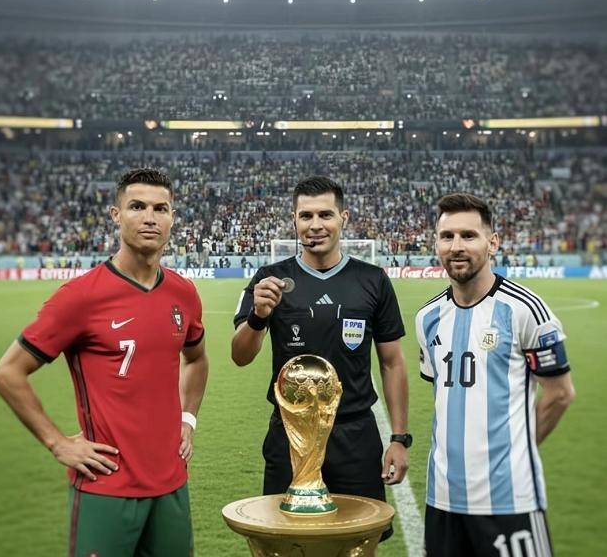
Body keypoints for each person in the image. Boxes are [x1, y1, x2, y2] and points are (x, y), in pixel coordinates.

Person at [0, 168, 209, 556]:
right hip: (107, 485)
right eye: (137, 206)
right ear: (115, 214)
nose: (149, 217)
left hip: (172, 484)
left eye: (160, 208)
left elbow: (196, 359)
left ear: (173, 217)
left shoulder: (184, 293)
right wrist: (57, 443)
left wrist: (188, 420)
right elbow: (8, 372)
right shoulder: (81, 297)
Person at [231, 175, 411, 541]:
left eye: (325, 215)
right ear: (294, 220)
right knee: (286, 541)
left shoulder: (373, 279)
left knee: (359, 540)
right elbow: (240, 355)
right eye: (306, 216)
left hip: (355, 435)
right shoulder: (269, 278)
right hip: (289, 434)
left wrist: (399, 437)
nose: (315, 225)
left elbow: (392, 362)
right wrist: (258, 316)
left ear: (343, 218)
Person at [415, 193, 575, 557]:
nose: (456, 246)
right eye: (447, 236)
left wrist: (517, 450)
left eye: (468, 235)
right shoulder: (427, 318)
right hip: (443, 498)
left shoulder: (525, 310)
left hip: (509, 498)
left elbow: (560, 393)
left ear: (493, 242)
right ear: (436, 243)